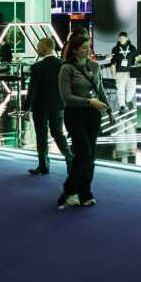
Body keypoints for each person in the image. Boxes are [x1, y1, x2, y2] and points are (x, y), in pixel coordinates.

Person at [57, 33, 111, 209]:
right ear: (74, 50)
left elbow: (99, 89)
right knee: (83, 153)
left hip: (93, 115)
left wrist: (108, 108)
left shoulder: (94, 66)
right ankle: (70, 190)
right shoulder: (66, 69)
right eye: (83, 47)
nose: (87, 50)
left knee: (91, 156)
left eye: (89, 47)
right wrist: (90, 102)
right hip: (74, 115)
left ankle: (85, 192)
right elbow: (66, 97)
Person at [26, 37, 73, 176]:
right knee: (58, 133)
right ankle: (69, 158)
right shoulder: (62, 64)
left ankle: (43, 166)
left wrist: (26, 108)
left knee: (41, 135)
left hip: (40, 106)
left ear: (45, 47)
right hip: (58, 105)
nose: (37, 49)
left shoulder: (37, 67)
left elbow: (32, 90)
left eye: (39, 46)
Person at [109, 31, 139, 113]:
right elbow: (112, 62)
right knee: (120, 89)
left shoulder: (132, 48)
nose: (121, 39)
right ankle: (122, 105)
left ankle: (128, 100)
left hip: (131, 71)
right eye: (120, 38)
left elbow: (137, 59)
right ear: (118, 39)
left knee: (132, 88)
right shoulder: (115, 49)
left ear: (127, 38)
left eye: (123, 37)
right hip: (120, 72)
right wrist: (113, 73)